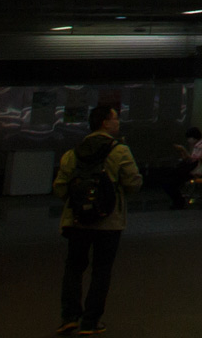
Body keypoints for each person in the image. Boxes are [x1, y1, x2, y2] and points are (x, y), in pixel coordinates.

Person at [53, 101, 142, 337]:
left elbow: (60, 189)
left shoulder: (73, 154)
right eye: (115, 118)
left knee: (74, 267)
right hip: (109, 222)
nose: (118, 122)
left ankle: (69, 317)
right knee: (101, 270)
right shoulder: (120, 151)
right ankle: (91, 321)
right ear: (105, 122)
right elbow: (133, 184)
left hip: (77, 221)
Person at [161, 125, 202, 211]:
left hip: (194, 172)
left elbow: (193, 160)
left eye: (189, 138)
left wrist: (183, 150)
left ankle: (179, 201)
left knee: (171, 181)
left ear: (194, 137)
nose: (188, 141)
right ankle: (178, 201)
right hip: (191, 170)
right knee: (170, 180)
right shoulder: (197, 147)